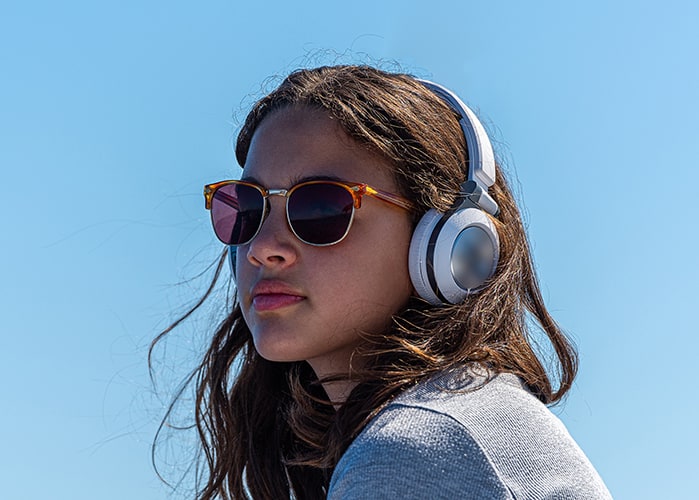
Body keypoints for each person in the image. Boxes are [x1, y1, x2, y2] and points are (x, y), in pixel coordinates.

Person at [151, 65, 611, 499]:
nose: (261, 247)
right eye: (248, 210)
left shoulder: (415, 453)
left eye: (321, 208)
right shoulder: (465, 423)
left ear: (447, 243)